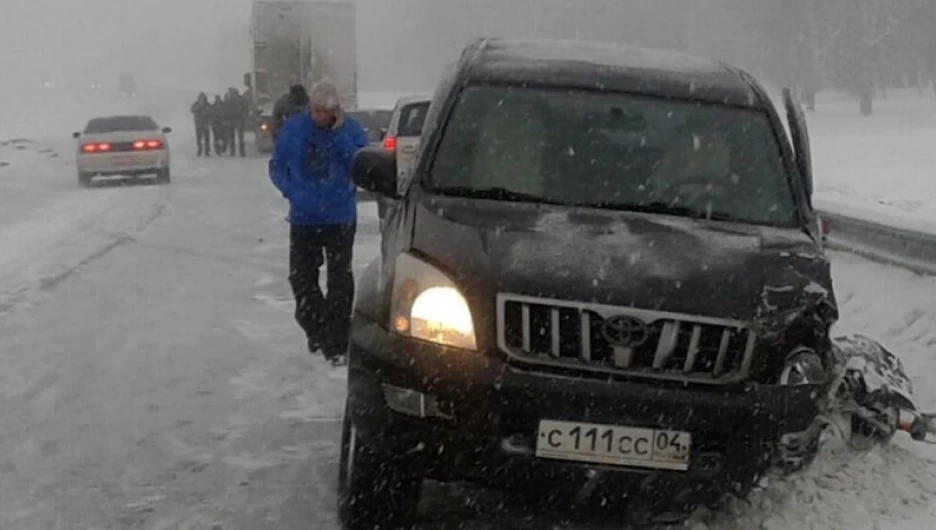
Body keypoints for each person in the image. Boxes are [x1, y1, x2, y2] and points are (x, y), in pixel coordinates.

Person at [268, 80, 369, 366]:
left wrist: (338, 136)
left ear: (336, 111)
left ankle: (337, 342)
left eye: (324, 112)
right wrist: (292, 191)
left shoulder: (350, 131)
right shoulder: (294, 129)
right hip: (304, 218)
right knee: (301, 279)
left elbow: (359, 165)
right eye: (314, 110)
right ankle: (318, 329)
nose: (318, 117)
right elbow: (277, 165)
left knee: (339, 280)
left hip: (339, 218)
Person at [190, 92, 212, 157]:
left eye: (203, 98)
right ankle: (199, 149)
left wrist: (209, 121)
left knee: (206, 139)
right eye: (200, 98)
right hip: (198, 124)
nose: (202, 99)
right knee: (199, 138)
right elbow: (192, 110)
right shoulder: (196, 104)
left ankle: (207, 151)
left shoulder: (208, 105)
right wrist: (199, 108)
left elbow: (211, 113)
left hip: (206, 124)